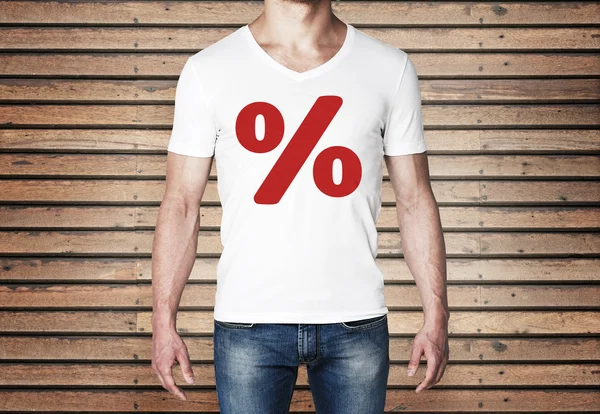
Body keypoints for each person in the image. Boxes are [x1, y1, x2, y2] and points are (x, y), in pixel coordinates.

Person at [151, 0, 449, 412]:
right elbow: (181, 203)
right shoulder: (209, 70)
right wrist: (162, 322)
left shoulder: (389, 68)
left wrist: (437, 314)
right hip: (247, 323)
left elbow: (416, 199)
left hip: (356, 322)